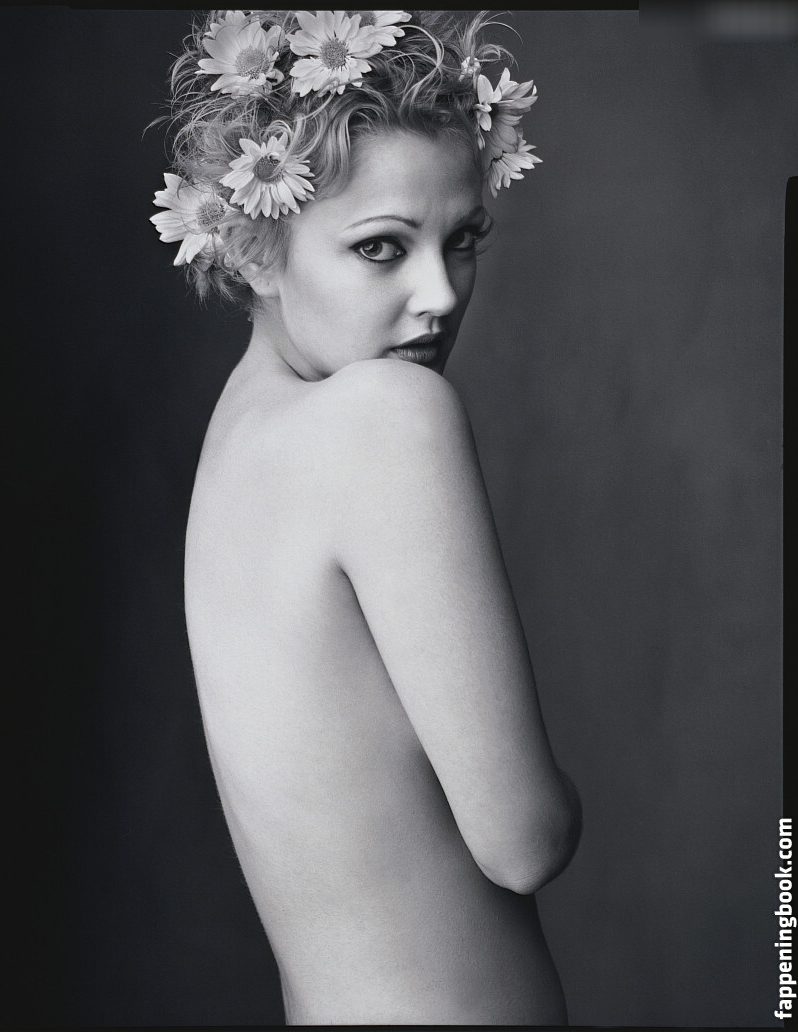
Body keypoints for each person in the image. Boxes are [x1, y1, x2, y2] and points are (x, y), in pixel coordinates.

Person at [150, 9, 581, 1024]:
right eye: (382, 247)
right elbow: (523, 842)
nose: (441, 295)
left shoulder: (240, 433)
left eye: (461, 240)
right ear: (254, 246)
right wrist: (570, 801)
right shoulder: (385, 418)